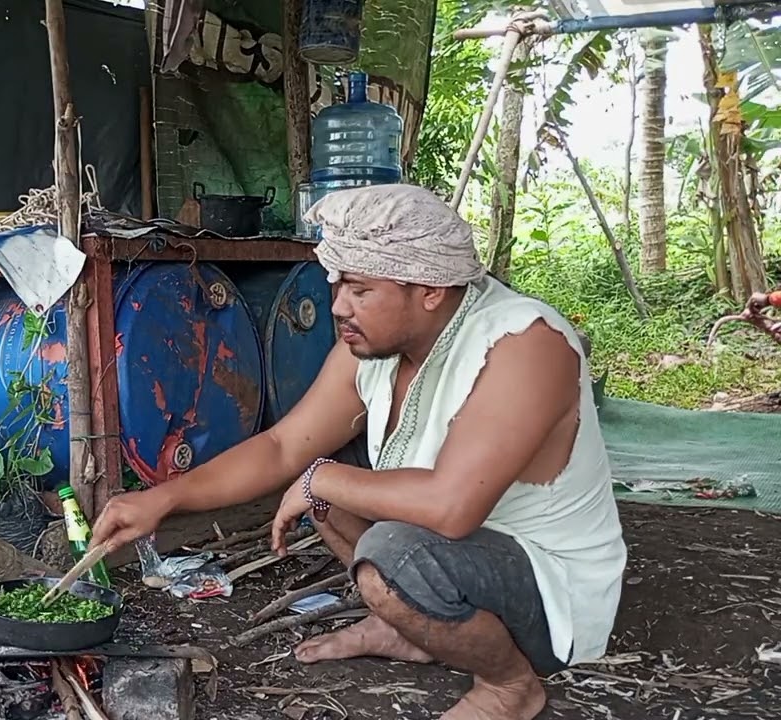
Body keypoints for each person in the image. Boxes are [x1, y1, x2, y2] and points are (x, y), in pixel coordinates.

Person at [89, 184, 627, 720]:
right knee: (328, 488)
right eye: (338, 284)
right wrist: (163, 499)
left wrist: (321, 479)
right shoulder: (376, 344)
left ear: (430, 290)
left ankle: (509, 686)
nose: (338, 306)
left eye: (359, 289)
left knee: (386, 545)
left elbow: (451, 508)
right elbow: (281, 446)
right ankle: (405, 625)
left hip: (548, 585)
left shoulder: (524, 343)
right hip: (459, 548)